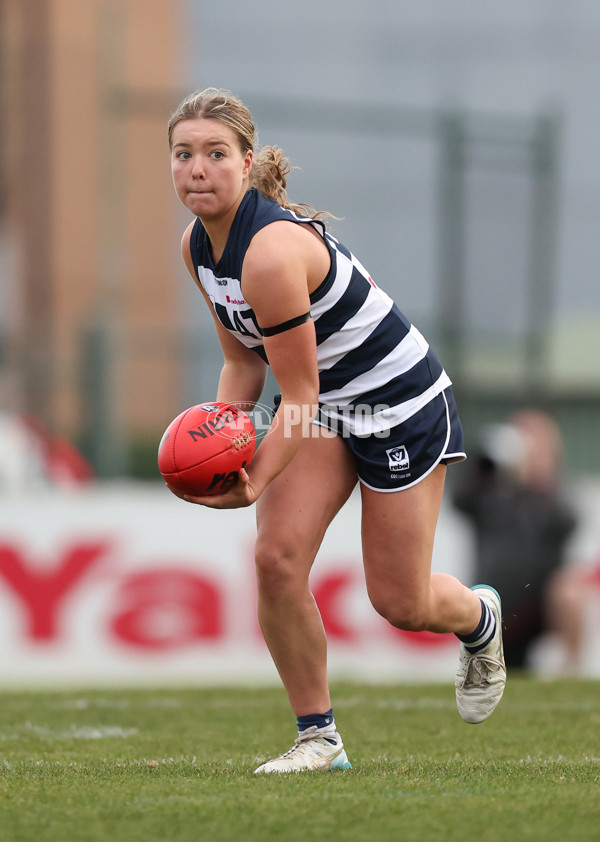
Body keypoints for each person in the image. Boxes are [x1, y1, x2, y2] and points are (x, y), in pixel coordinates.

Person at [166, 87, 506, 773]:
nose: (196, 169)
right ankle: (319, 738)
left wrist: (255, 477)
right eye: (182, 154)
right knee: (275, 561)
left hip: (397, 406)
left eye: (214, 153)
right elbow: (241, 361)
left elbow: (298, 389)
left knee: (400, 601)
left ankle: (478, 619)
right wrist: (220, 438)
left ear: (247, 161)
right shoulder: (197, 247)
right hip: (323, 407)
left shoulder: (268, 254)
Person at [452, 410, 578, 671]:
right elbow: (460, 500)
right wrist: (486, 462)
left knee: (570, 591)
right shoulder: (490, 491)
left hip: (538, 602)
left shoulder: (551, 493)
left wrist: (539, 481)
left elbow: (568, 523)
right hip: (498, 603)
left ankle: (571, 668)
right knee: (505, 670)